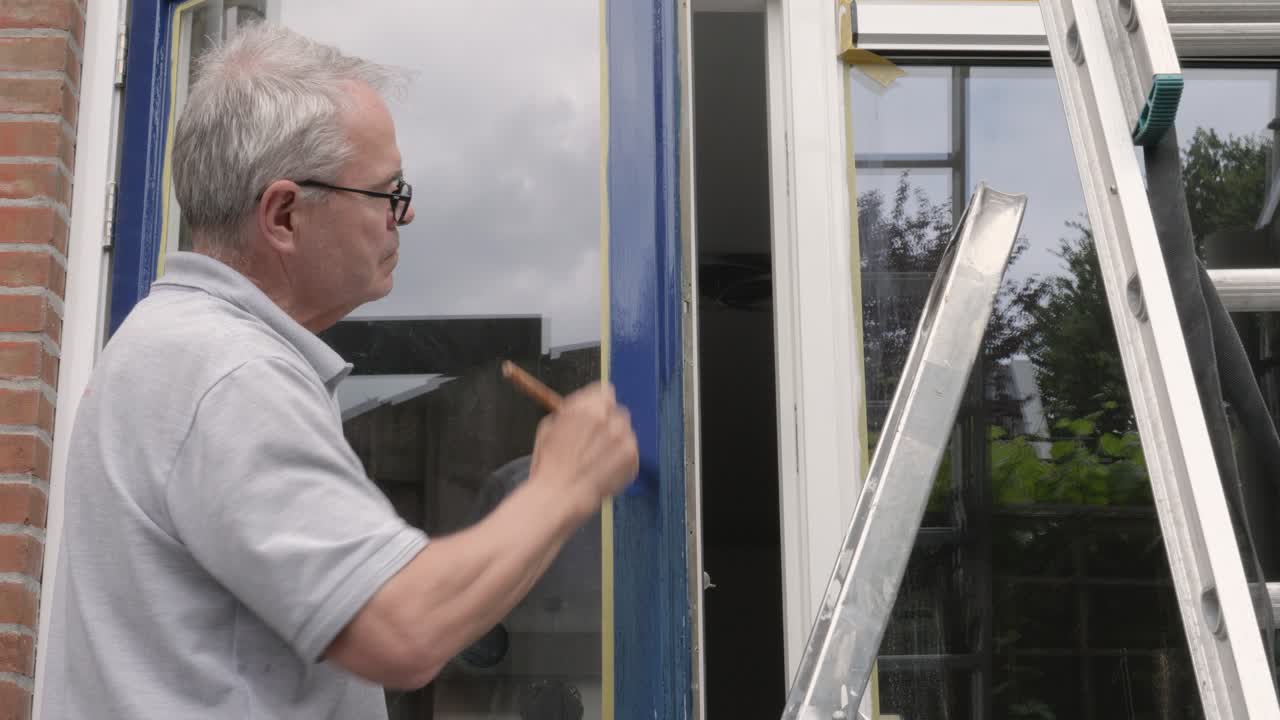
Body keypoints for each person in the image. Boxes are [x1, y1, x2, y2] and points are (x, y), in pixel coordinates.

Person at [40, 22, 638, 720]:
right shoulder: (229, 375)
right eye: (387, 192)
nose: (405, 215)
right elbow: (402, 628)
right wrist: (566, 484)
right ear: (285, 215)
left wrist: (552, 494)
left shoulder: (175, 349)